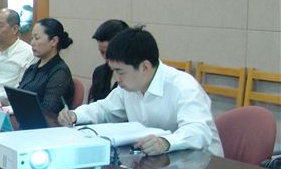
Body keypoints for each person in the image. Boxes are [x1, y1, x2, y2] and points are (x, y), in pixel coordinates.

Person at [58, 27, 222, 156]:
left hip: (201, 168)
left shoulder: (183, 86)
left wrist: (165, 142)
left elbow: (198, 132)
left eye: (120, 72)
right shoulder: (130, 86)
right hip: (156, 164)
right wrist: (75, 115)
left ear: (144, 67)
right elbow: (104, 109)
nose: (116, 78)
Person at [17, 18, 74, 115]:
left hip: (43, 122)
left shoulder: (60, 72)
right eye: (32, 38)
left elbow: (49, 110)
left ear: (54, 41)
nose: (32, 43)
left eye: (37, 38)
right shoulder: (32, 68)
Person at [88, 19, 129, 103]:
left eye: (109, 52)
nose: (106, 57)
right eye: (102, 52)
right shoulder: (99, 72)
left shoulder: (134, 77)